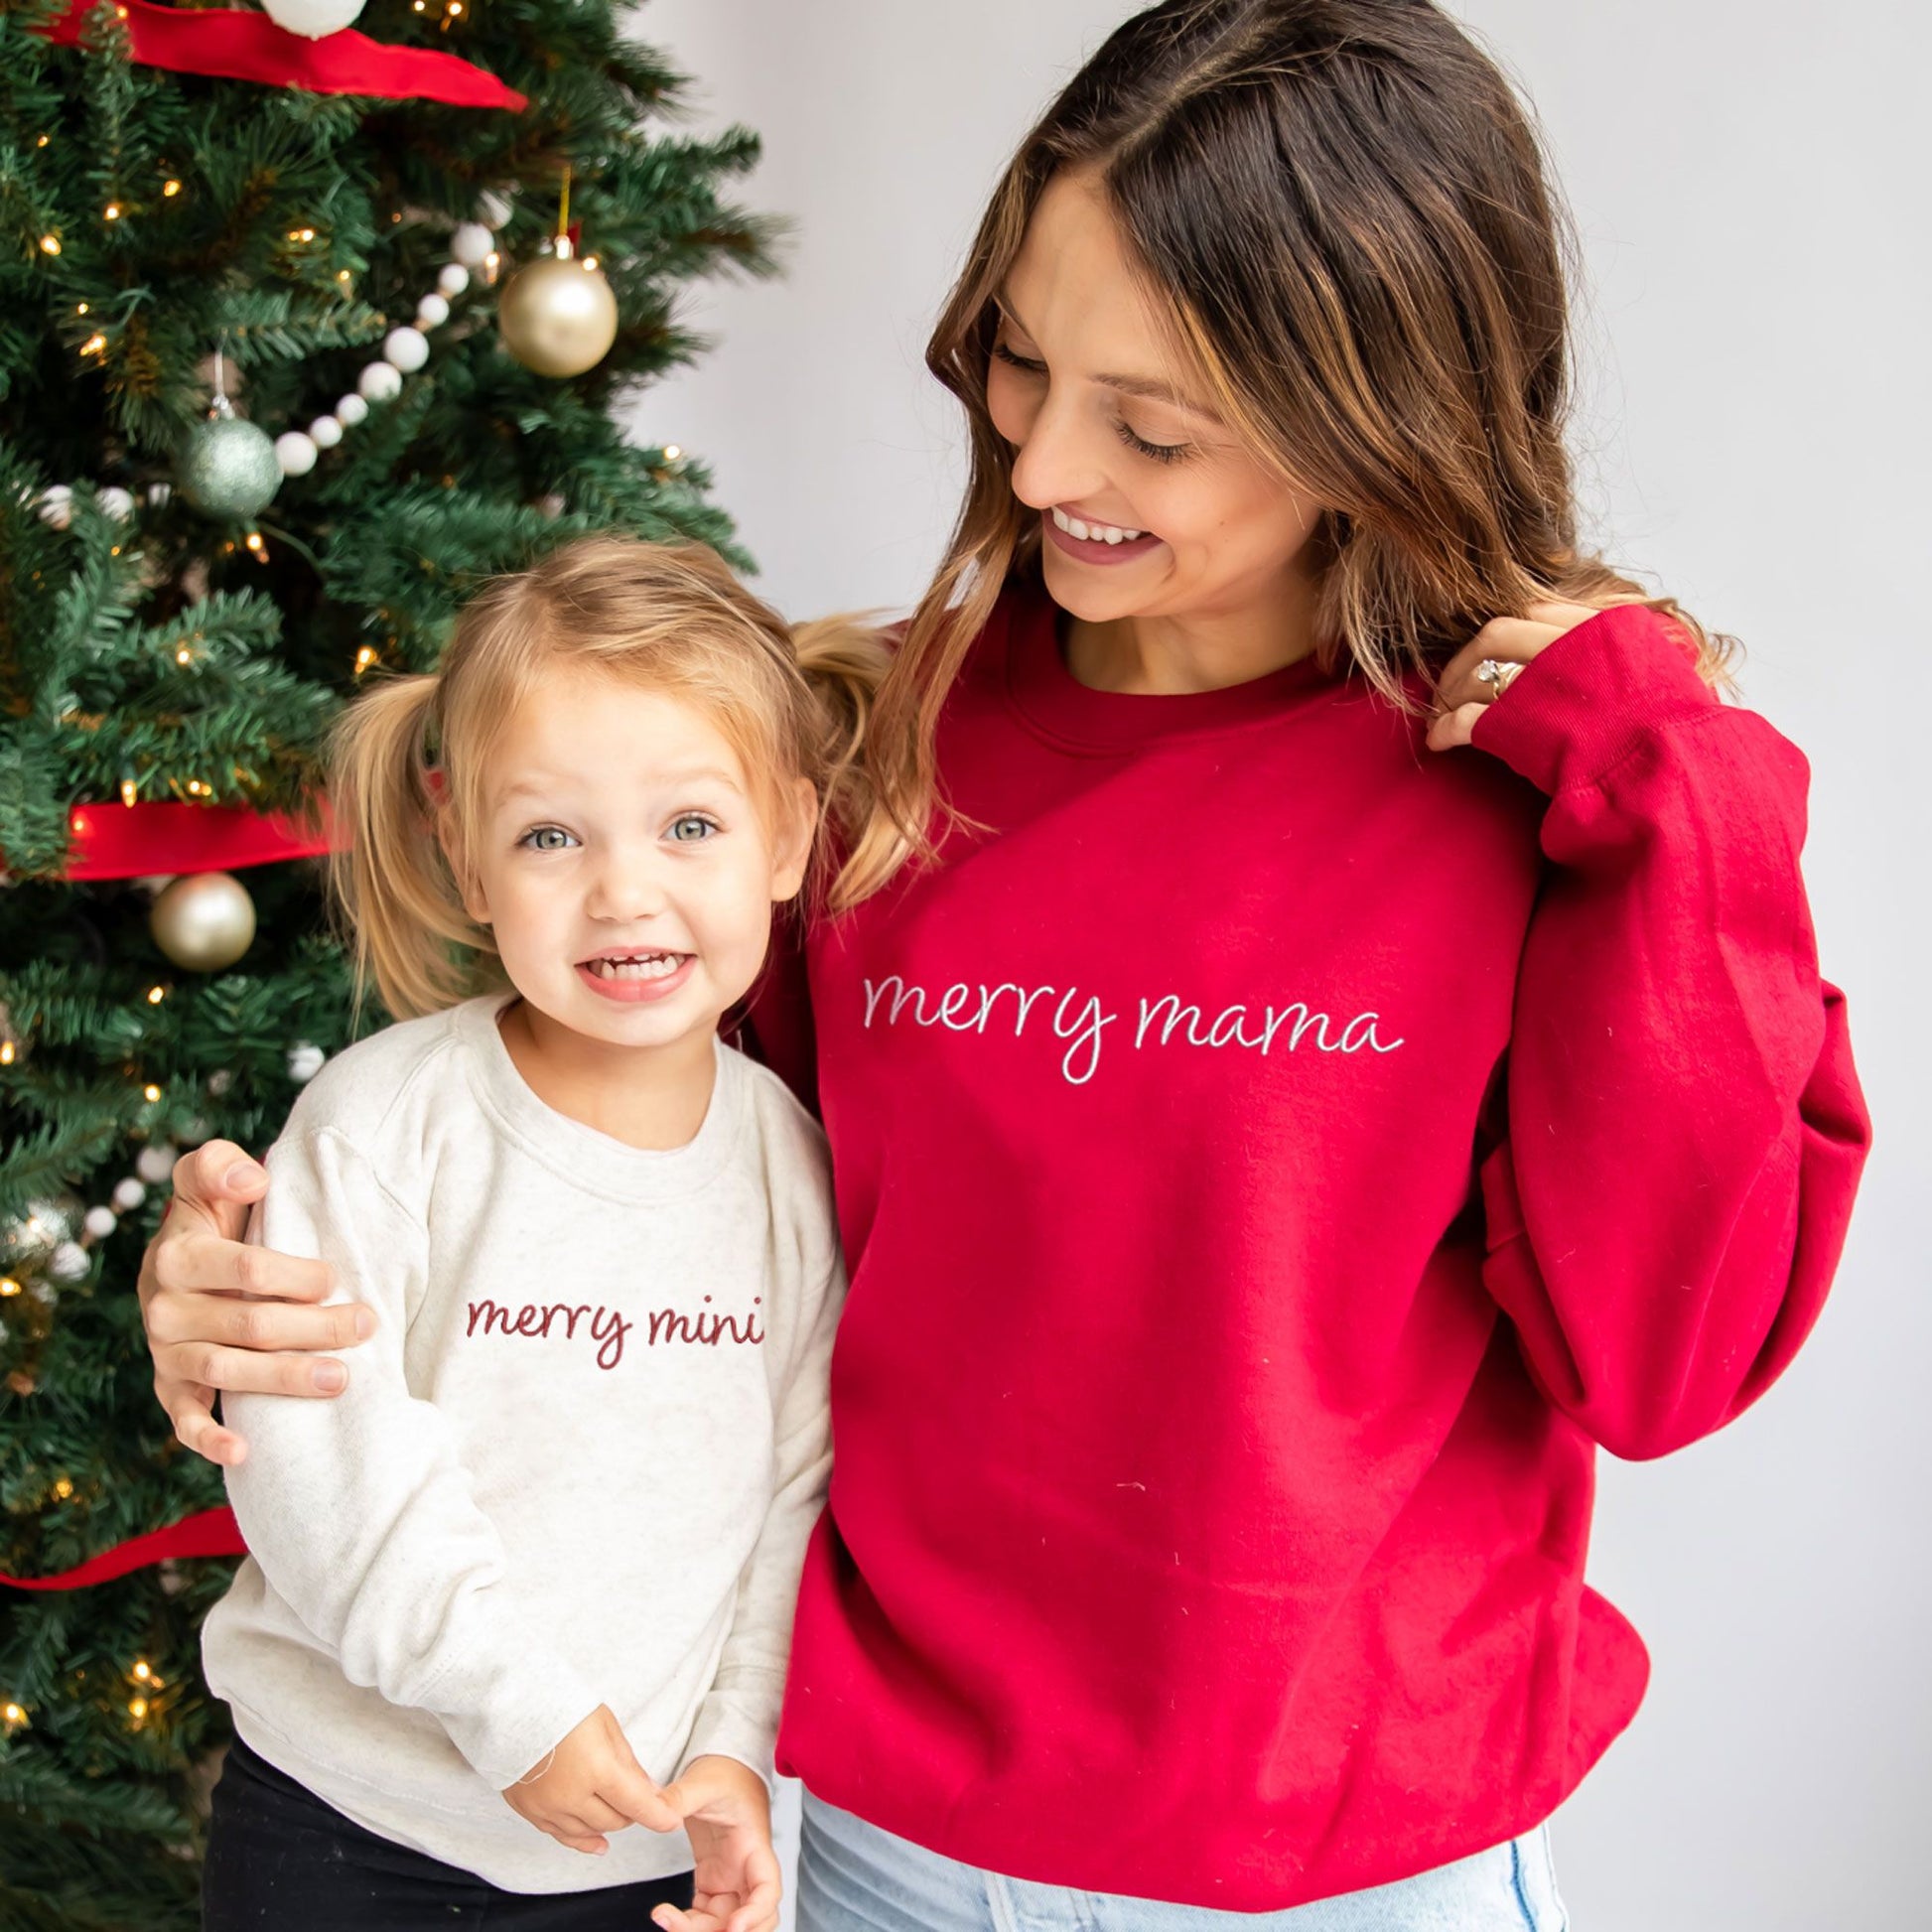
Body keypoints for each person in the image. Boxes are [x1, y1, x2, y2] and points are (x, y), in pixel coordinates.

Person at [143, 4, 1871, 1928]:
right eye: (1020, 362)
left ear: (1377, 413)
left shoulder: (1556, 802)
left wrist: (1674, 794)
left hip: (1355, 1874)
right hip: (878, 1851)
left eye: (1150, 424)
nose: (1042, 463)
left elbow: (1665, 1363)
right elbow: (627, 1200)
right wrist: (266, 1286)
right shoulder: (868, 760)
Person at [192, 537, 876, 1932]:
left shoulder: (793, 1165)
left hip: (637, 1852)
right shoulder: (386, 1124)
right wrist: (518, 1712)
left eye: (689, 824)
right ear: (467, 857)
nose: (624, 891)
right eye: (551, 835)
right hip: (345, 1822)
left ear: (790, 836)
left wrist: (736, 1756)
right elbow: (331, 1475)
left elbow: (791, 1507)